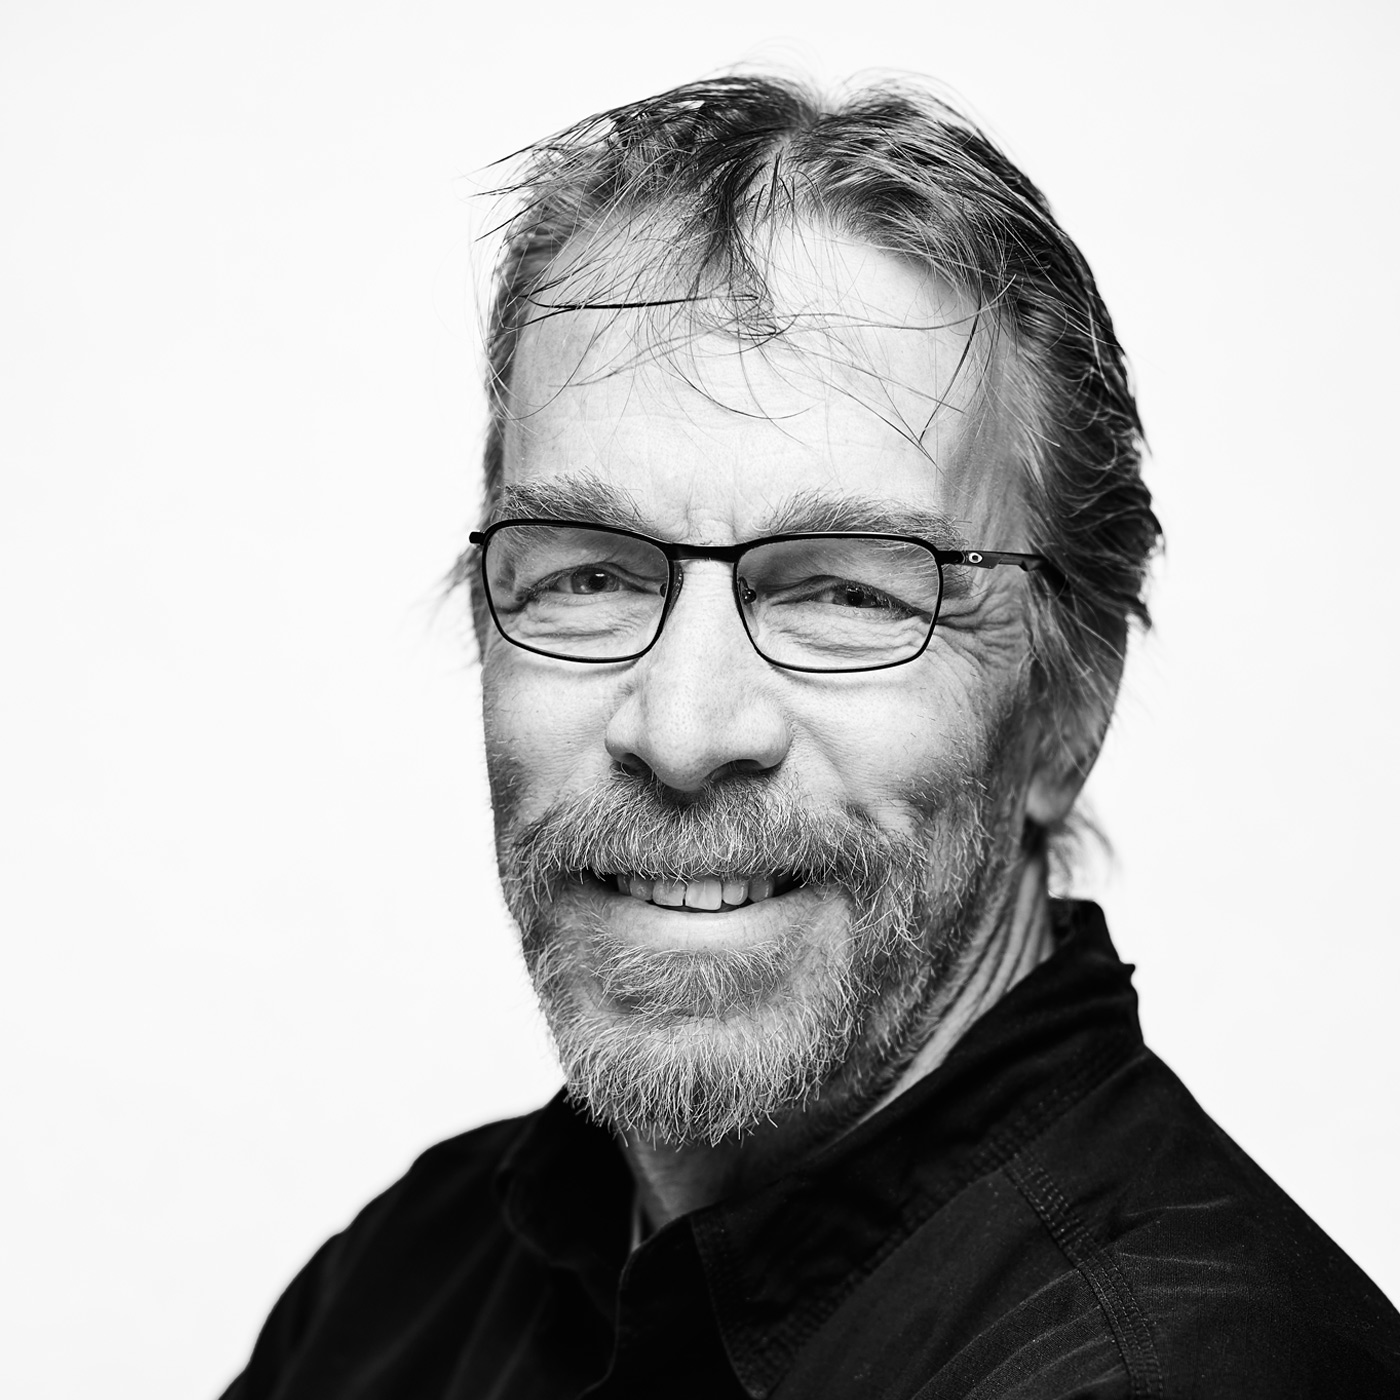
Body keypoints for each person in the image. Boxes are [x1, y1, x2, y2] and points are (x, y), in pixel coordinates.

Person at [220, 74, 1400, 1399]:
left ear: (1068, 707)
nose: (683, 730)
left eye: (848, 592)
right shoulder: (398, 1288)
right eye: (589, 574)